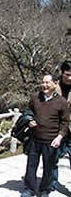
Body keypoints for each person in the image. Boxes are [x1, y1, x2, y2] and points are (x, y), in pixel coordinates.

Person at [21, 74, 69, 197]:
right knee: (31, 165)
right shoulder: (35, 97)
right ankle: (29, 189)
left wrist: (59, 137)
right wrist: (29, 119)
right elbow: (28, 111)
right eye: (43, 82)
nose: (44, 85)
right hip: (35, 138)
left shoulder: (62, 102)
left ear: (55, 83)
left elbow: (65, 122)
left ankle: (44, 190)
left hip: (51, 140)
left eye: (47, 82)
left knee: (49, 167)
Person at [51, 60, 71, 191]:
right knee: (53, 157)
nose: (70, 78)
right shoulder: (53, 87)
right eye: (67, 74)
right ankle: (52, 183)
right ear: (62, 73)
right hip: (57, 128)